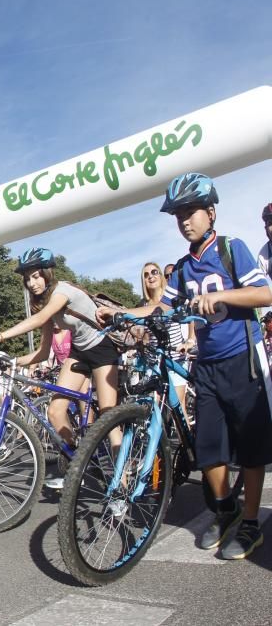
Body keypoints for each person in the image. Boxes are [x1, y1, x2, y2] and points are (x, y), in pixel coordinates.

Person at [99, 173, 272, 560]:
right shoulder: (180, 267)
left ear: (210, 213)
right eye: (178, 215)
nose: (184, 221)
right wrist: (122, 313)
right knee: (209, 449)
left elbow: (265, 293)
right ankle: (225, 509)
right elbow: (159, 307)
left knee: (250, 447)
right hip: (206, 365)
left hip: (242, 358)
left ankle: (249, 524)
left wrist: (222, 296)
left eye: (191, 212)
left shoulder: (232, 249)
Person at [0, 247, 121, 489]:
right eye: (27, 278)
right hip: (79, 352)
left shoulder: (62, 291)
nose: (32, 283)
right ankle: (81, 461)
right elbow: (44, 352)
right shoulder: (43, 303)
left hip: (102, 348)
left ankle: (122, 484)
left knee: (109, 416)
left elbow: (38, 320)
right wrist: (14, 361)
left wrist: (0, 336)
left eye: (36, 276)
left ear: (47, 273)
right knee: (55, 412)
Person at [140, 261, 194, 409]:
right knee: (151, 408)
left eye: (154, 272)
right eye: (146, 275)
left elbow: (191, 316)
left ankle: (183, 432)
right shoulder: (143, 305)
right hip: (154, 363)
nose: (150, 276)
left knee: (178, 408)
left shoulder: (173, 298)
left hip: (175, 358)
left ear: (161, 275)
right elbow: (145, 334)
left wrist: (190, 340)